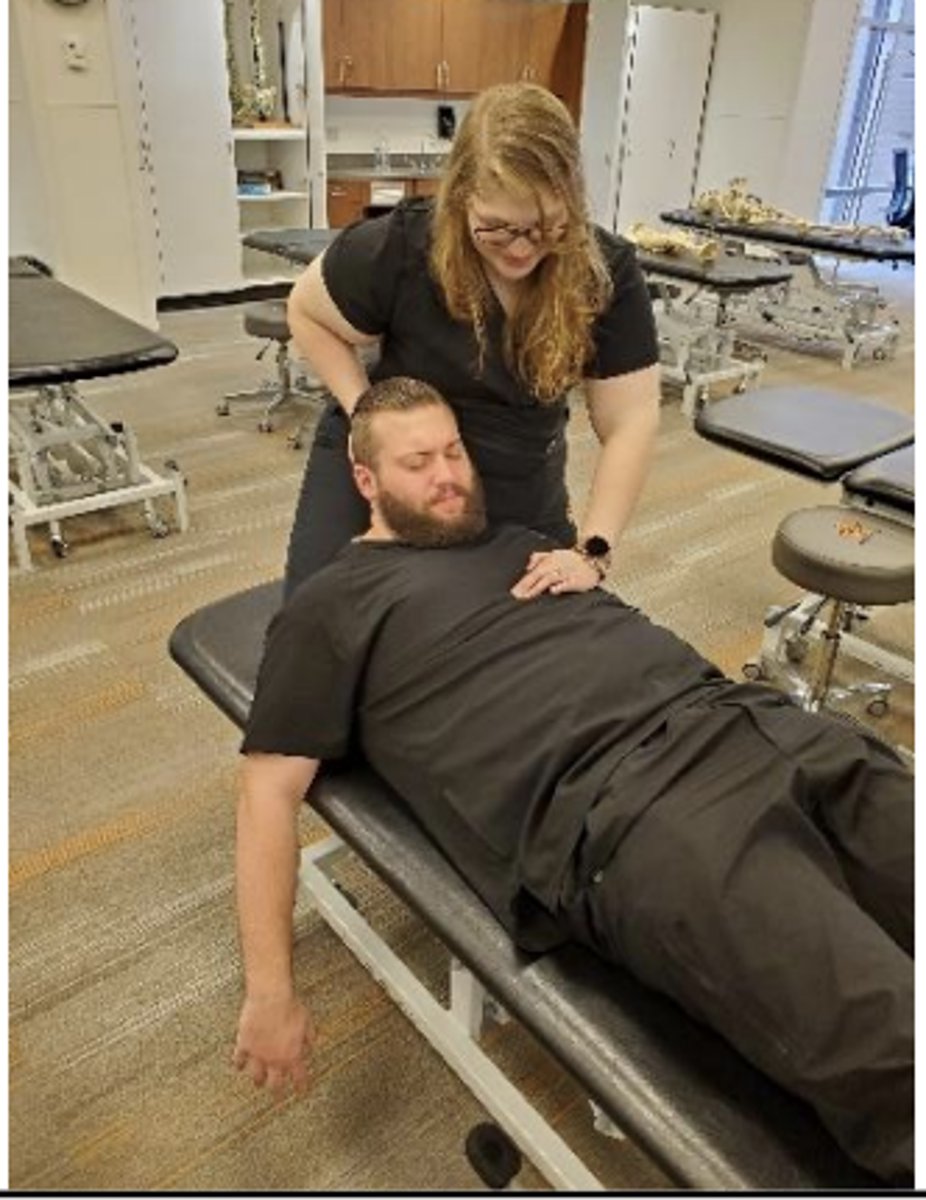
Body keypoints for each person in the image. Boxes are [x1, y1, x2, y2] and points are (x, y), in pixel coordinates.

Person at [235, 379, 913, 1184]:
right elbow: (267, 795)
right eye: (418, 462)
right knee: (890, 1044)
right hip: (642, 814)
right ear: (367, 482)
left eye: (453, 451)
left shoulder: (519, 540)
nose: (449, 475)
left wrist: (589, 562)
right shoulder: (330, 608)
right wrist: (269, 990)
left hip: (753, 722)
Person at [282, 82, 660, 599]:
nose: (522, 248)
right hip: (399, 456)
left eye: (545, 226)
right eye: (497, 228)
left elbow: (631, 420)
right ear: (460, 198)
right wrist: (363, 412)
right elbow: (307, 311)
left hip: (515, 469)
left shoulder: (604, 270)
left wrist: (593, 552)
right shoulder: (403, 245)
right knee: (324, 613)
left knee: (524, 631)